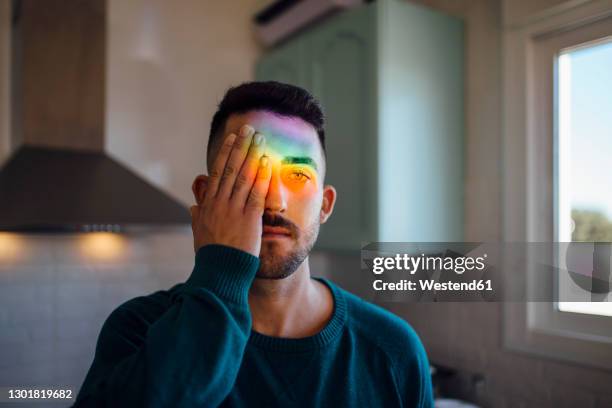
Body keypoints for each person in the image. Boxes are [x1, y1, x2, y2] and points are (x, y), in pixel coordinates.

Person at [74, 81, 434, 407]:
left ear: (324, 205)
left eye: (297, 175)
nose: (273, 201)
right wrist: (220, 268)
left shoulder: (394, 351)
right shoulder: (138, 330)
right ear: (206, 195)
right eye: (250, 174)